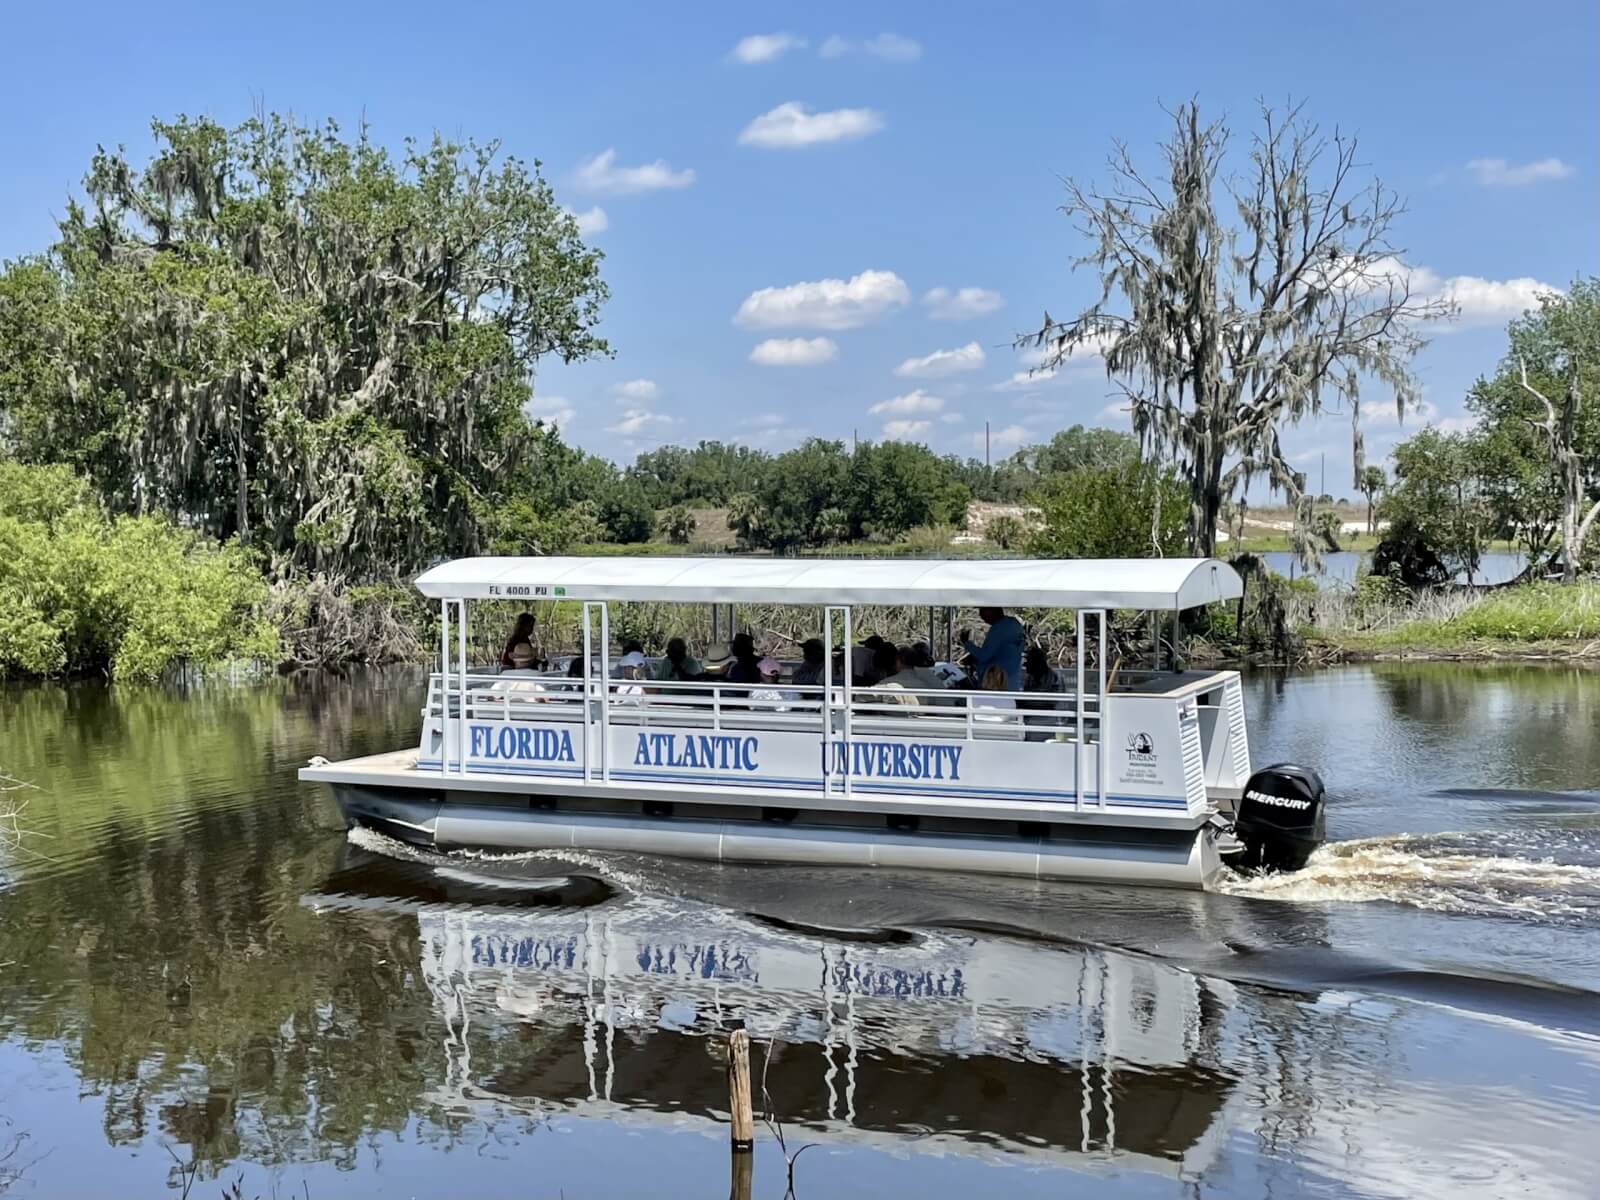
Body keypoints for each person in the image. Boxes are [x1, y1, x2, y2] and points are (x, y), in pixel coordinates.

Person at [960, 607, 1024, 692]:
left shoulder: (999, 628)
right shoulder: (1014, 624)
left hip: (997, 682)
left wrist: (967, 643)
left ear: (992, 611)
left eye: (983, 612)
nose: (982, 617)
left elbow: (984, 655)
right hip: (1013, 680)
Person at [1020, 645, 1070, 740]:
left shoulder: (1055, 678)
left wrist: (1060, 727)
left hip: (1048, 722)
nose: (1025, 665)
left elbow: (1060, 704)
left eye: (1028, 661)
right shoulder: (1028, 678)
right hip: (1027, 722)